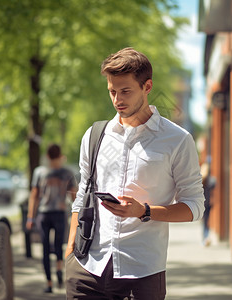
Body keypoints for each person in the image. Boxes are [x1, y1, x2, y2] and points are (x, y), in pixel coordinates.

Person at [65, 47, 205, 299]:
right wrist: (70, 252)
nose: (118, 99)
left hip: (142, 273)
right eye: (112, 91)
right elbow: (82, 194)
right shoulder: (95, 136)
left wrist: (144, 211)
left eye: (126, 91)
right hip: (87, 268)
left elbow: (194, 207)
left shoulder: (177, 140)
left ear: (147, 86)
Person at [26, 144, 78, 293]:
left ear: (47, 156)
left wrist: (30, 217)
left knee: (45, 248)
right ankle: (59, 269)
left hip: (43, 214)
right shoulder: (67, 172)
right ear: (60, 154)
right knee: (58, 245)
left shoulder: (39, 172)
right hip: (60, 213)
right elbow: (74, 196)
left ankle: (49, 283)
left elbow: (34, 195)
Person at [200, 162, 216, 246]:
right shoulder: (210, 180)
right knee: (207, 222)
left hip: (202, 204)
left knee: (204, 222)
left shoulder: (200, 180)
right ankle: (205, 238)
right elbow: (214, 185)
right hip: (208, 203)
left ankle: (204, 239)